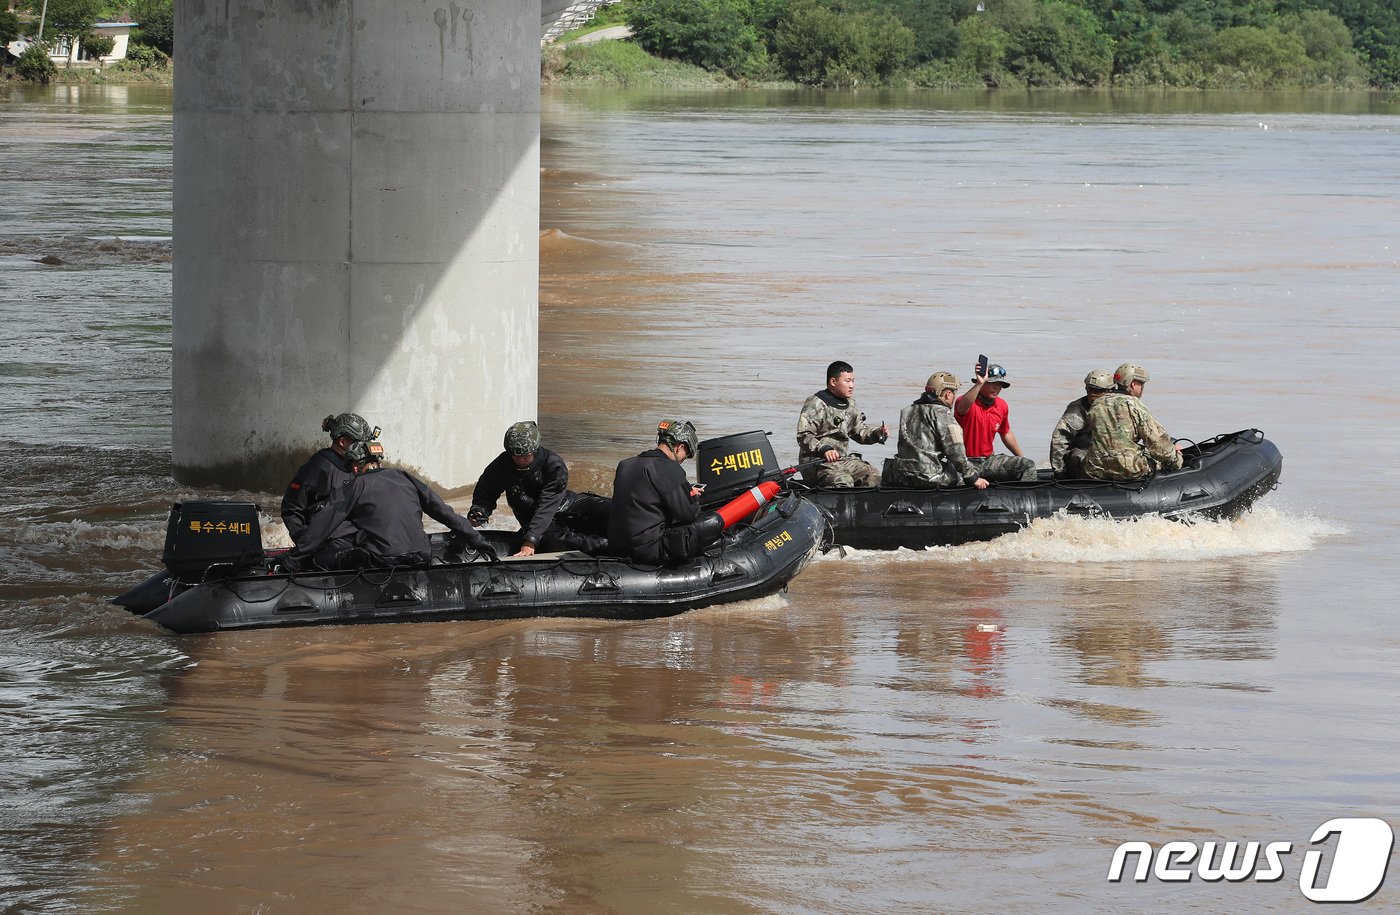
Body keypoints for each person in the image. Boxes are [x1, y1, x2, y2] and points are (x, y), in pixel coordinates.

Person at [283, 439, 498, 572]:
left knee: (322, 557)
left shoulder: (355, 485)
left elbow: (323, 526)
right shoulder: (404, 477)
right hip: (422, 555)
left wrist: (295, 559)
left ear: (356, 466)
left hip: (385, 560)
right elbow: (443, 511)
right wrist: (477, 539)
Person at [468, 421, 611, 556]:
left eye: (525, 455)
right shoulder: (502, 464)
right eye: (516, 456)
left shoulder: (553, 463)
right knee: (554, 541)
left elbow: (547, 504)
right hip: (532, 517)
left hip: (563, 503)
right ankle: (604, 546)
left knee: (613, 509)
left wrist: (531, 539)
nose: (520, 459)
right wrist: (479, 510)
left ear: (535, 450)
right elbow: (486, 490)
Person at [608, 419, 723, 564]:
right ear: (679, 447)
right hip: (648, 551)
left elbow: (644, 497)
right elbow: (688, 513)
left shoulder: (625, 464)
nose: (682, 460)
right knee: (712, 521)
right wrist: (691, 496)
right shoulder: (669, 468)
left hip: (617, 546)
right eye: (685, 455)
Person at [281, 412, 378, 544]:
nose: (363, 449)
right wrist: (305, 543)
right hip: (330, 544)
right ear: (343, 442)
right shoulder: (319, 466)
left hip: (357, 540)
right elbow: (291, 508)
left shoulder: (359, 466)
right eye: (358, 444)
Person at [884, 372, 990, 490]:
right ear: (947, 394)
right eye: (954, 393)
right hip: (928, 477)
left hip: (901, 475)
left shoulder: (907, 411)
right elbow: (956, 451)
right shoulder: (942, 414)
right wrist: (972, 477)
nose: (954, 397)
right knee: (960, 473)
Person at [1081, 363, 1185, 481]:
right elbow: (1157, 443)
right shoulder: (1134, 404)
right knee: (1160, 460)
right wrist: (1176, 459)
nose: (1142, 388)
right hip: (1130, 469)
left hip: (1095, 468)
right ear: (1133, 384)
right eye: (1141, 384)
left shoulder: (1096, 404)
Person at [796, 360, 889, 488]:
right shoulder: (816, 403)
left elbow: (859, 432)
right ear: (833, 382)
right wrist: (824, 449)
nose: (852, 385)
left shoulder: (850, 404)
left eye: (853, 381)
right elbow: (804, 435)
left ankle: (869, 505)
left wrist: (876, 433)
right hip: (816, 463)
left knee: (873, 475)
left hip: (842, 461)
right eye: (847, 381)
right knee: (843, 481)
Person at [953, 360, 1037, 482]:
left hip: (988, 461)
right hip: (965, 463)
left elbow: (1006, 433)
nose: (997, 387)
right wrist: (979, 383)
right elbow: (962, 408)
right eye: (993, 383)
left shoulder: (1002, 405)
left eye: (1000, 384)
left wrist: (1021, 457)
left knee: (1028, 464)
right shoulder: (965, 401)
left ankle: (1023, 498)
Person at [1049, 369, 1116, 479]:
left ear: (1109, 391)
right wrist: (1060, 472)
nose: (1092, 394)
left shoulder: (1119, 408)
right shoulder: (1078, 410)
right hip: (1083, 454)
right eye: (1089, 389)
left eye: (1097, 391)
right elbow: (1059, 441)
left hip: (1106, 454)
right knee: (1080, 456)